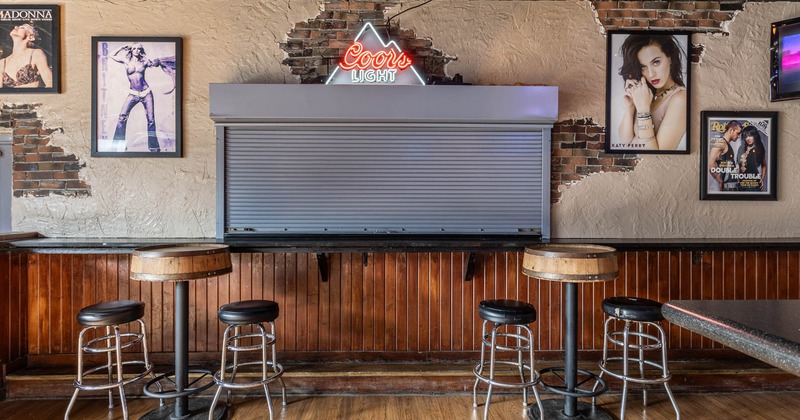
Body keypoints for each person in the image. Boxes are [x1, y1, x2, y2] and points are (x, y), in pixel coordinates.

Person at [616, 34, 687, 151]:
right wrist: (631, 107)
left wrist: (643, 111)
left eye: (656, 62)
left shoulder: (680, 99)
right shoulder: (647, 96)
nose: (650, 74)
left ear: (670, 58)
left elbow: (658, 155)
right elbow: (625, 142)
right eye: (643, 67)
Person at [109, 43, 175, 152]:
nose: (136, 51)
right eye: (134, 49)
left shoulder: (144, 62)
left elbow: (155, 63)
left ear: (141, 51)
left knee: (151, 120)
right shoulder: (126, 61)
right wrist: (122, 47)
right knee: (122, 117)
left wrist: (159, 62)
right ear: (131, 50)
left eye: (139, 49)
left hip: (146, 93)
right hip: (133, 93)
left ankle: (154, 148)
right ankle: (118, 146)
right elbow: (112, 55)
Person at [0, 23, 53, 88]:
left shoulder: (36, 54)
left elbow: (50, 83)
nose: (16, 27)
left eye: (22, 27)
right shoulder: (2, 63)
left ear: (31, 37)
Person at [707, 120, 742, 192]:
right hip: (726, 188)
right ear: (731, 130)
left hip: (731, 187)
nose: (739, 136)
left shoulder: (726, 144)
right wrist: (720, 181)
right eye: (738, 133)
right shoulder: (720, 142)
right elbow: (711, 165)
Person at [736, 125, 767, 192]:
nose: (748, 138)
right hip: (741, 184)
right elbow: (739, 166)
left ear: (754, 136)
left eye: (750, 136)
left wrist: (762, 179)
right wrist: (738, 179)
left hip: (754, 184)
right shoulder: (741, 148)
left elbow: (764, 165)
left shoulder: (759, 148)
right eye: (746, 136)